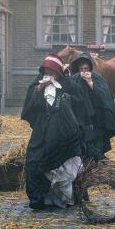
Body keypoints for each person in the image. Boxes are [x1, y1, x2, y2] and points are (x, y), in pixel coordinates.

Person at [21, 54, 83, 210]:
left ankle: (63, 197)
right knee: (34, 159)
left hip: (63, 132)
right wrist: (39, 90)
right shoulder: (37, 85)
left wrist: (66, 98)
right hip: (43, 130)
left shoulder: (68, 85)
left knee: (64, 161)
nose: (49, 75)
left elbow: (80, 105)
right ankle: (38, 197)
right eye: (46, 72)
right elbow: (31, 107)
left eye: (52, 72)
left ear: (58, 73)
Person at [69, 52, 115, 162]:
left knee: (97, 142)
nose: (83, 71)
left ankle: (98, 159)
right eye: (81, 69)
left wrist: (91, 84)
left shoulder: (97, 79)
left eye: (86, 68)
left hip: (97, 119)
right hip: (81, 119)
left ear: (90, 68)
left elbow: (105, 97)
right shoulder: (74, 80)